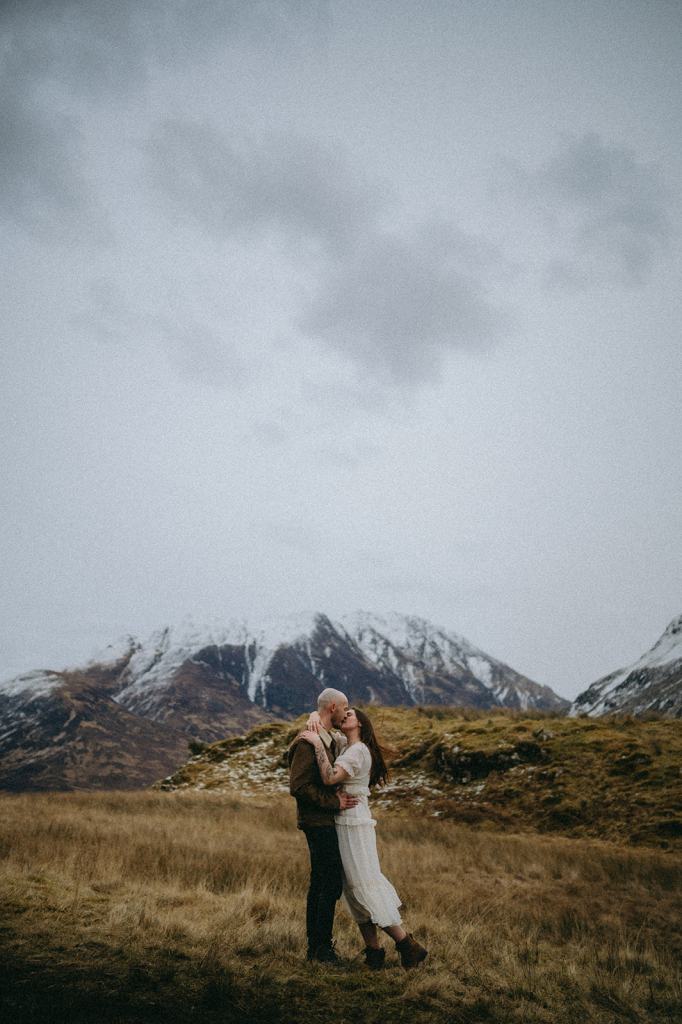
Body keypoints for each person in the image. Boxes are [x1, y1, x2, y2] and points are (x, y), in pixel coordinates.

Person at [298, 705, 428, 970]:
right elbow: (325, 723)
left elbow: (331, 777)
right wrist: (314, 717)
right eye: (344, 714)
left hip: (353, 823)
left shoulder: (357, 751)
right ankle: (374, 952)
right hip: (345, 820)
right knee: (352, 888)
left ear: (361, 724)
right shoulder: (348, 743)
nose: (345, 716)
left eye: (350, 715)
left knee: (363, 883)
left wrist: (314, 743)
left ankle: (407, 945)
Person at [288, 687, 358, 963]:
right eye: (345, 706)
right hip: (317, 821)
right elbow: (299, 786)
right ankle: (320, 948)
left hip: (323, 820)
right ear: (332, 708)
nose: (346, 711)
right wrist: (334, 802)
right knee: (327, 883)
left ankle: (317, 947)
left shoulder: (327, 738)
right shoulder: (307, 742)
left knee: (323, 881)